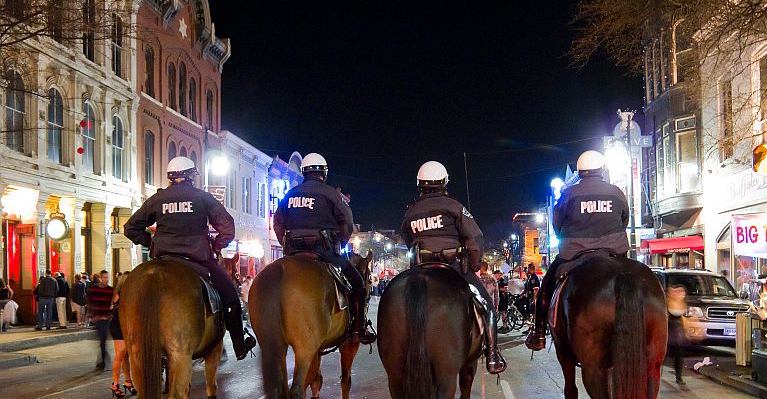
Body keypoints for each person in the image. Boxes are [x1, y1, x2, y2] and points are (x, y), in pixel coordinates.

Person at [124, 156, 256, 360]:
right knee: (230, 295)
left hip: (164, 258)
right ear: (190, 177)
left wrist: (150, 242)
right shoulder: (201, 197)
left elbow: (130, 227)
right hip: (198, 259)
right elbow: (227, 227)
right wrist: (217, 244)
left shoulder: (157, 199)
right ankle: (239, 344)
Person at [401, 161, 506, 374]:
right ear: (444, 182)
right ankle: (492, 355)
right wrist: (474, 265)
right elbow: (475, 237)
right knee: (487, 305)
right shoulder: (454, 206)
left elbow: (406, 238)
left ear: (420, 184)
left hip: (421, 267)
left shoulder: (411, 211)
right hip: (454, 266)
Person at [526, 150, 630, 350]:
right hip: (614, 251)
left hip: (574, 253)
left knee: (547, 285)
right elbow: (625, 219)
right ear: (601, 170)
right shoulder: (616, 192)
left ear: (580, 172)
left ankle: (539, 333)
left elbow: (557, 225)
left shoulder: (568, 193)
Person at [273, 152, 376, 344]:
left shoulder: (290, 194)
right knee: (357, 283)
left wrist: (285, 245)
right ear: (324, 173)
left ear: (304, 172)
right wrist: (340, 244)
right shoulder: (330, 193)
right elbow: (346, 220)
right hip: (324, 251)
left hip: (294, 251)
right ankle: (359, 328)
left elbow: (277, 222)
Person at [109, 272, 135, 398]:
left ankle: (128, 381)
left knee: (126, 356)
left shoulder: (124, 293)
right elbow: (116, 310)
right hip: (119, 325)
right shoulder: (120, 294)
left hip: (125, 325)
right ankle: (115, 384)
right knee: (120, 355)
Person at [86, 270, 114, 370]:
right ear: (100, 278)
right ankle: (103, 359)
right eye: (105, 278)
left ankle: (103, 361)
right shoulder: (94, 289)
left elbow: (113, 304)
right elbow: (90, 303)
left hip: (107, 318)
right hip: (98, 318)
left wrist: (110, 315)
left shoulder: (111, 290)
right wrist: (92, 316)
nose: (106, 280)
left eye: (107, 277)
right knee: (102, 340)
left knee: (103, 340)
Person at [666, 284, 688, 385]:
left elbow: (685, 318)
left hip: (678, 333)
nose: (680, 294)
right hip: (669, 331)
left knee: (679, 354)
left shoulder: (683, 304)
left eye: (681, 292)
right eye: (677, 292)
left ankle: (678, 376)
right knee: (665, 354)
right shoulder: (667, 303)